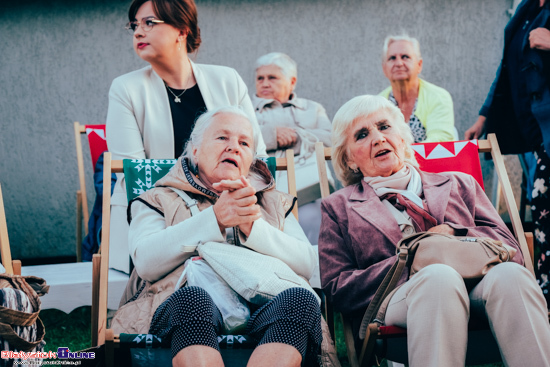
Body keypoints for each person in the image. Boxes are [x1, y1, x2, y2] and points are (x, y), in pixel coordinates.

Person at [319, 95, 550, 366]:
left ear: (403, 137)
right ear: (349, 160)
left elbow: (511, 250)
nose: (378, 138)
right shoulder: (338, 207)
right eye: (362, 134)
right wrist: (410, 260)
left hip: (480, 287)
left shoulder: (459, 183)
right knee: (438, 277)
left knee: (511, 274)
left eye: (384, 126)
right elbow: (337, 286)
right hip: (397, 302)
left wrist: (451, 235)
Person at [112, 106, 321, 367]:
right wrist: (215, 219)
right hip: (183, 312)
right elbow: (145, 262)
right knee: (193, 299)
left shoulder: (272, 202)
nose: (234, 147)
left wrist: (252, 226)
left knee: (299, 300)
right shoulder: (159, 198)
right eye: (222, 137)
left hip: (263, 309)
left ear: (250, 161)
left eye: (244, 143)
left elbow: (306, 263)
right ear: (195, 151)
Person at [105, 0, 266, 273]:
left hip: (230, 218)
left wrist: (227, 207)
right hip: (156, 225)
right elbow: (133, 174)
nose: (138, 32)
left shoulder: (227, 80)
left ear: (182, 29)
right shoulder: (126, 89)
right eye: (134, 25)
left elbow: (256, 158)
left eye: (149, 23)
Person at [464, 0, 550, 306]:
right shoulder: (525, 11)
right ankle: (545, 295)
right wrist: (484, 118)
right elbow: (507, 68)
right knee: (542, 209)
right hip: (538, 133)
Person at [253, 52, 332, 246]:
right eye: (260, 78)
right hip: (261, 195)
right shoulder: (244, 108)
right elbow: (237, 137)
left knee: (316, 230)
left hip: (309, 193)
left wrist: (297, 137)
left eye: (272, 78)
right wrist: (272, 136)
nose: (264, 83)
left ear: (292, 81)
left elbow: (332, 139)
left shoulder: (313, 108)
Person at [379, 34, 456, 143]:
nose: (399, 63)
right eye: (392, 58)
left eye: (405, 57)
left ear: (419, 65)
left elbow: (440, 141)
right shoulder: (378, 103)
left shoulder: (438, 97)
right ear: (384, 68)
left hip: (430, 159)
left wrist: (403, 156)